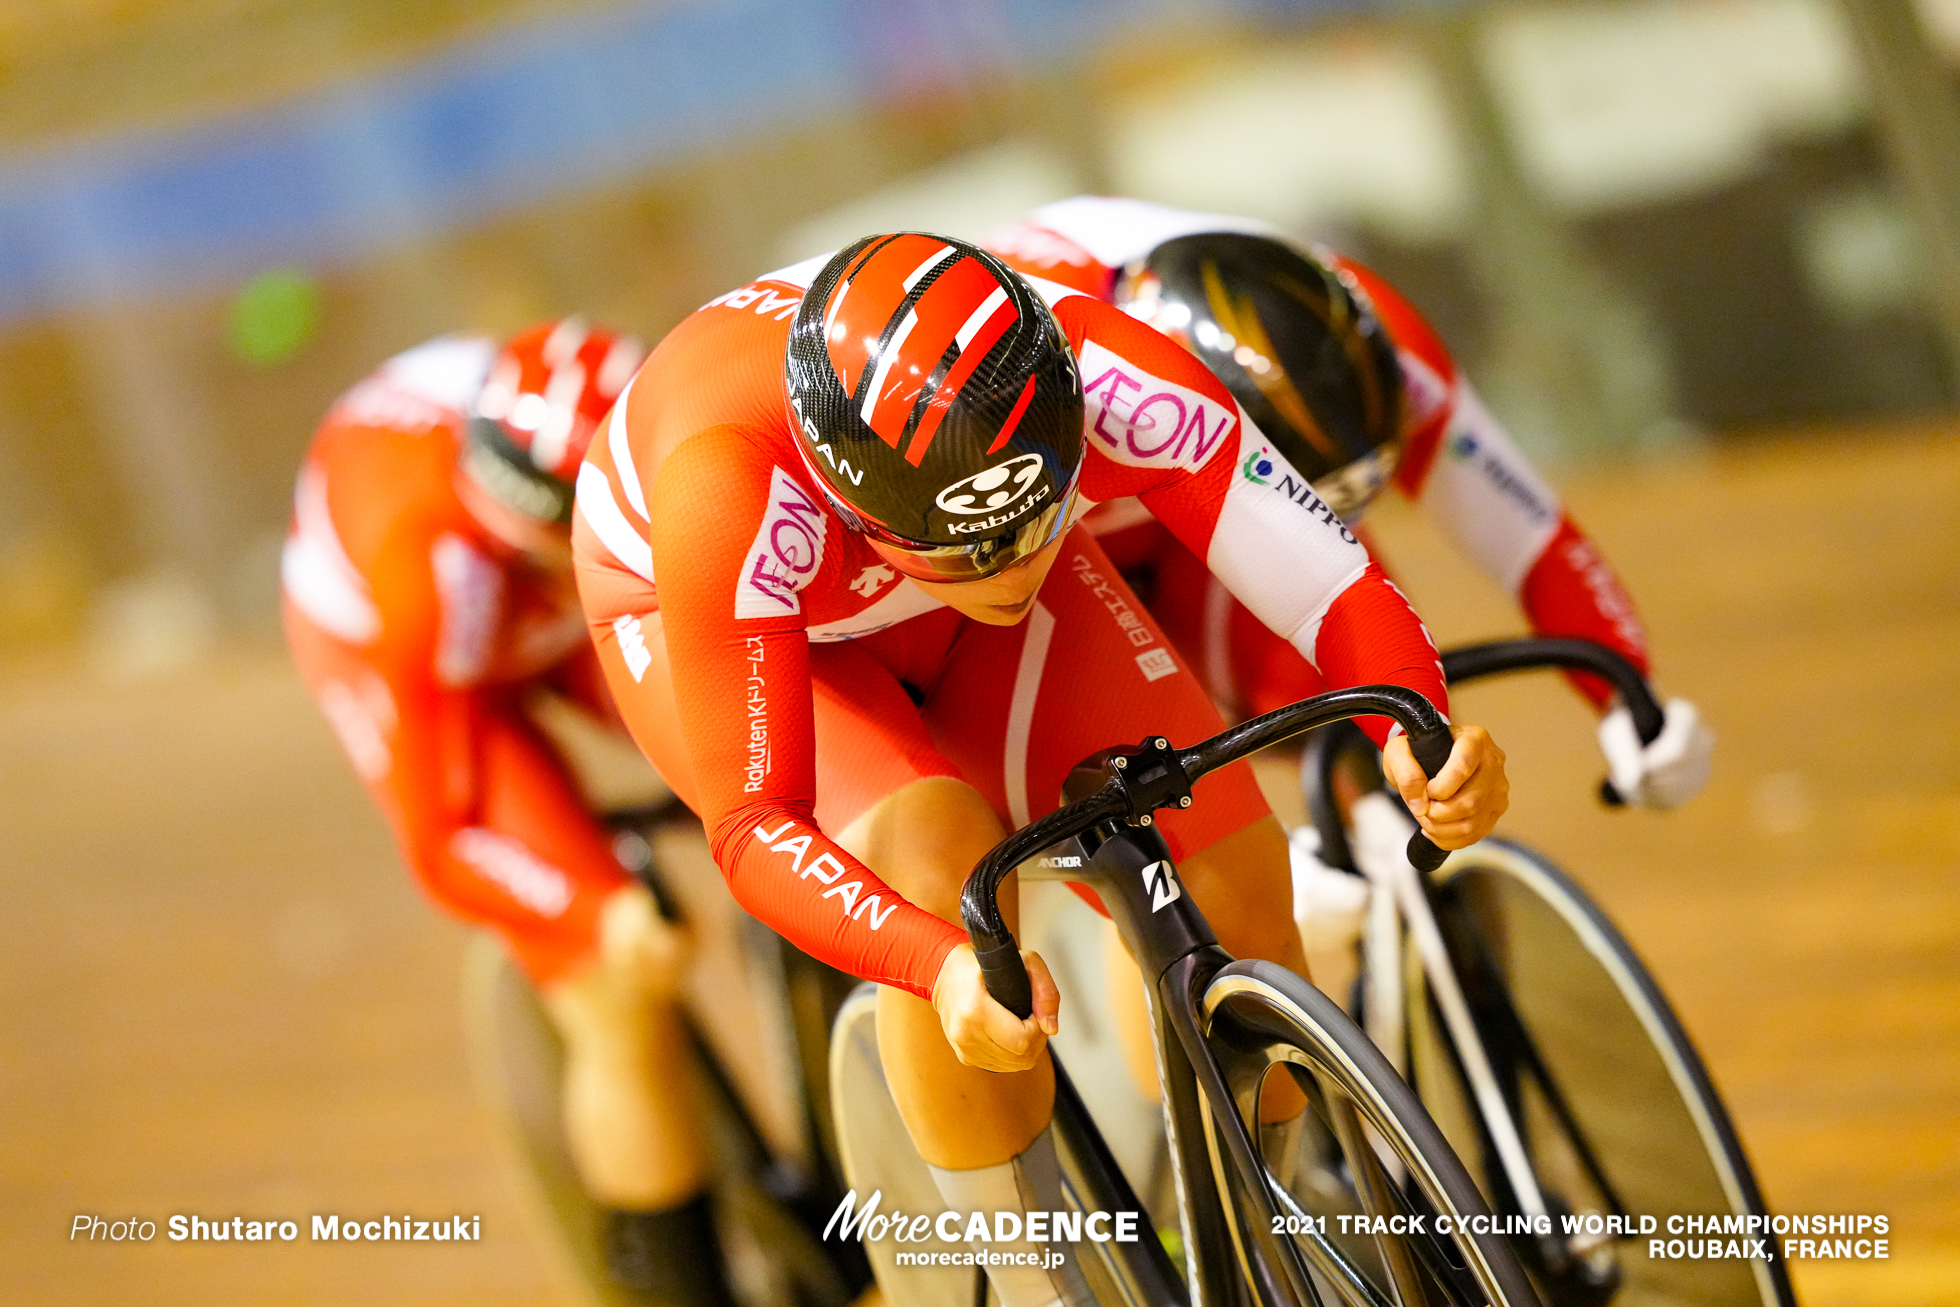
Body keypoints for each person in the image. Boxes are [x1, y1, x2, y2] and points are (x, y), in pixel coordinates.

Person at [572, 233, 1510, 1307]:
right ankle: (1028, 1283)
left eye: (1038, 518)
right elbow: (753, 826)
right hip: (740, 610)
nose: (1015, 566)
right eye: (978, 546)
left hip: (924, 539)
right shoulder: (724, 493)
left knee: (1234, 873)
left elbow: (1328, 579)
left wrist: (1415, 726)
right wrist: (936, 963)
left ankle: (1266, 1240)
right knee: (938, 864)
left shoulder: (1109, 366)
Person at [983, 196, 1715, 811]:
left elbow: (1529, 532)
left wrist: (1627, 694)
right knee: (1159, 835)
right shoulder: (1084, 381)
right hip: (1065, 526)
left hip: (1218, 507)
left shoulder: (1373, 335)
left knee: (1366, 721)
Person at [281, 318, 733, 1306]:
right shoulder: (427, 577)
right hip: (421, 653)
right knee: (617, 980)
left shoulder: (646, 435)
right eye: (531, 551)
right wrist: (592, 914)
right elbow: (442, 841)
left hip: (572, 582)